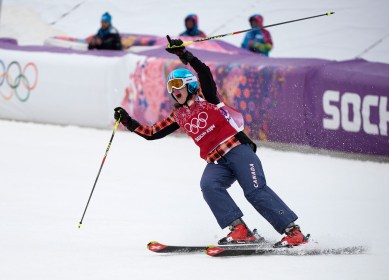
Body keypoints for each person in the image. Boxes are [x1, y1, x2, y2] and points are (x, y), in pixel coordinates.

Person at [114, 36, 308, 247]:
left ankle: (293, 232)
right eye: (170, 86)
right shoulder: (178, 115)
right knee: (209, 185)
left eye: (177, 84)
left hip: (237, 149)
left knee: (254, 191)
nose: (173, 90)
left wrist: (183, 55)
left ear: (190, 85)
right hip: (216, 161)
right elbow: (152, 133)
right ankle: (239, 230)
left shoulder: (207, 98)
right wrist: (128, 122)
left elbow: (204, 72)